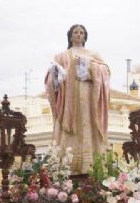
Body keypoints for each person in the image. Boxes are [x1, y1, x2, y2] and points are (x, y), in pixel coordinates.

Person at [45, 24, 110, 174]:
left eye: (81, 32)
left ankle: (90, 163)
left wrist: (90, 67)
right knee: (70, 126)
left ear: (85, 36)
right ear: (70, 35)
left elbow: (106, 72)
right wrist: (55, 75)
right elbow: (51, 80)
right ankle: (66, 165)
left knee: (88, 122)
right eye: (76, 32)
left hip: (88, 96)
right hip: (68, 99)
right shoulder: (61, 56)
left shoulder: (93, 54)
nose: (79, 34)